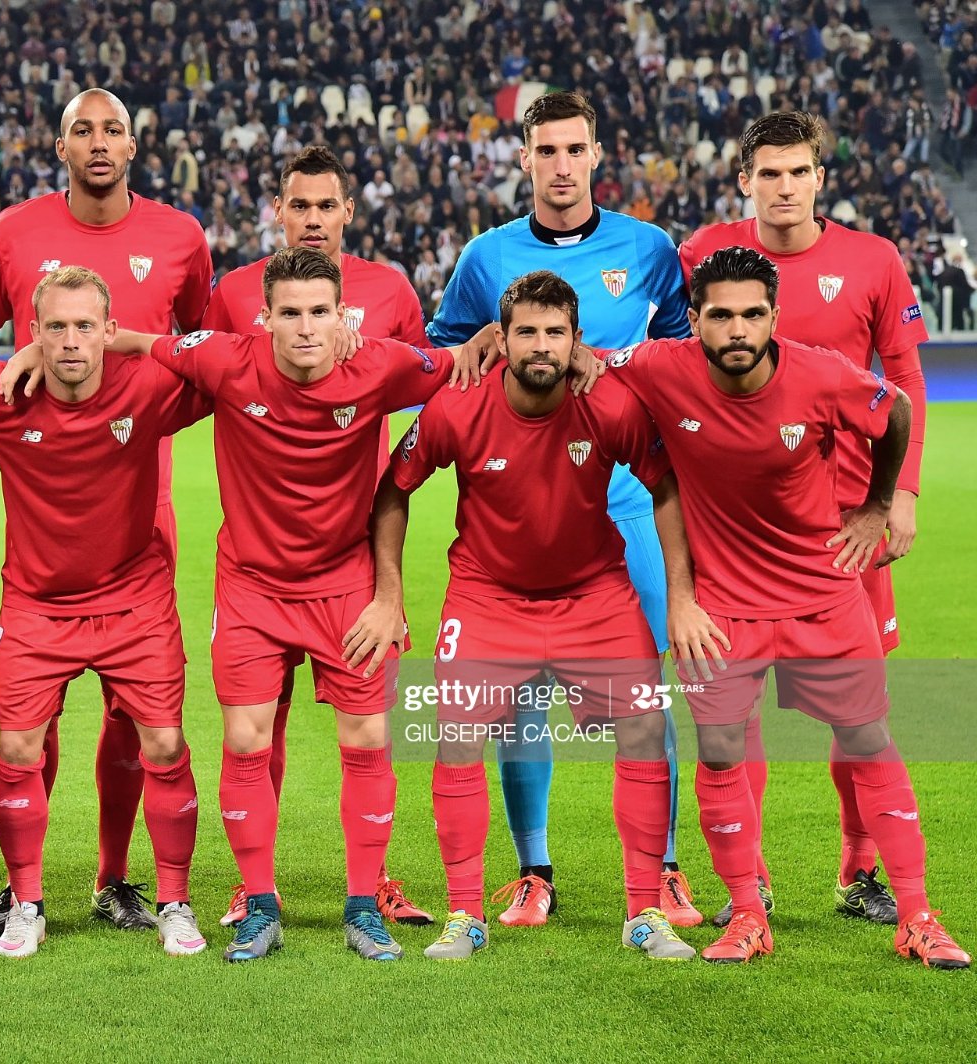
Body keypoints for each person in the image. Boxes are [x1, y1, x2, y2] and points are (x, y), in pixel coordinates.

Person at [82, 245, 488, 962]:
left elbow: (470, 358)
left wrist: (513, 341)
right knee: (245, 742)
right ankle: (259, 905)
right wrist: (40, 352)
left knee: (365, 741)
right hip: (251, 589)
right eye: (291, 314)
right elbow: (136, 340)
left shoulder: (384, 366)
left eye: (320, 313)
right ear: (264, 318)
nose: (305, 329)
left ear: (343, 318)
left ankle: (364, 906)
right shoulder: (227, 360)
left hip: (346, 590)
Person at [612, 246, 969, 969]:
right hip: (723, 610)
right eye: (720, 316)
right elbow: (578, 359)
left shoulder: (822, 375)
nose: (737, 329)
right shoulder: (657, 365)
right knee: (720, 757)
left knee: (870, 743)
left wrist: (877, 505)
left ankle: (918, 916)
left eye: (751, 314)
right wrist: (493, 339)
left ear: (774, 317)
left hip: (821, 595)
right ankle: (748, 913)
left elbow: (894, 410)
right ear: (696, 321)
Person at [0, 88, 214, 934]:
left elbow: (194, 349)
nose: (98, 142)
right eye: (82, 129)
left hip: (140, 515)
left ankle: (118, 878)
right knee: (34, 715)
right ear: (59, 145)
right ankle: (27, 887)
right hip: (46, 512)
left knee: (137, 720)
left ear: (136, 143)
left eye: (113, 129)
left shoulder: (180, 237)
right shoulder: (14, 233)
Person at [426, 90, 698, 928]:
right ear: (524, 159)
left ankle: (666, 872)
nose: (562, 165)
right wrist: (470, 343)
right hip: (520, 507)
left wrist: (611, 362)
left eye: (575, 149)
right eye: (547, 151)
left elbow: (685, 354)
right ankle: (534, 869)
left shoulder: (649, 250)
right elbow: (443, 355)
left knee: (646, 699)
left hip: (628, 503)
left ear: (596, 154)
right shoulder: (485, 257)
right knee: (516, 702)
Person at [367, 270, 694, 962]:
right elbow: (392, 491)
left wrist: (684, 597)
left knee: (641, 728)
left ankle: (643, 912)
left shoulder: (609, 405)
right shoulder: (458, 407)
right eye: (527, 332)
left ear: (578, 340)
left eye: (555, 332)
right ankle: (465, 914)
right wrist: (389, 592)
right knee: (456, 739)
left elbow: (667, 489)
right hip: (488, 598)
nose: (541, 346)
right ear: (501, 339)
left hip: (595, 596)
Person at [0, 266, 212, 958]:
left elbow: (229, 362)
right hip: (37, 606)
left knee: (163, 744)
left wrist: (141, 342)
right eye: (56, 328)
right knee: (17, 749)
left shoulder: (149, 388)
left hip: (136, 600)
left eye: (86, 326)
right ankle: (27, 901)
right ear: (32, 334)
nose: (71, 341)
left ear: (107, 329)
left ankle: (177, 902)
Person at [681, 111, 931, 928]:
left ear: (821, 176)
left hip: (846, 532)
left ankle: (860, 870)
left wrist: (900, 498)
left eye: (799, 171)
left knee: (855, 712)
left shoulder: (873, 260)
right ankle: (747, 882)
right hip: (733, 531)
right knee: (732, 712)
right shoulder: (703, 258)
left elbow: (905, 382)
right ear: (744, 179)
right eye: (769, 172)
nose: (784, 187)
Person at [200, 143, 432, 929]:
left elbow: (427, 380)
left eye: (325, 206)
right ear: (277, 210)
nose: (311, 219)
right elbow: (202, 375)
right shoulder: (233, 292)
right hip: (258, 560)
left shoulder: (393, 291)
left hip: (348, 562)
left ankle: (374, 881)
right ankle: (252, 885)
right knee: (255, 728)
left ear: (347, 213)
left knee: (366, 731)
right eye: (297, 205)